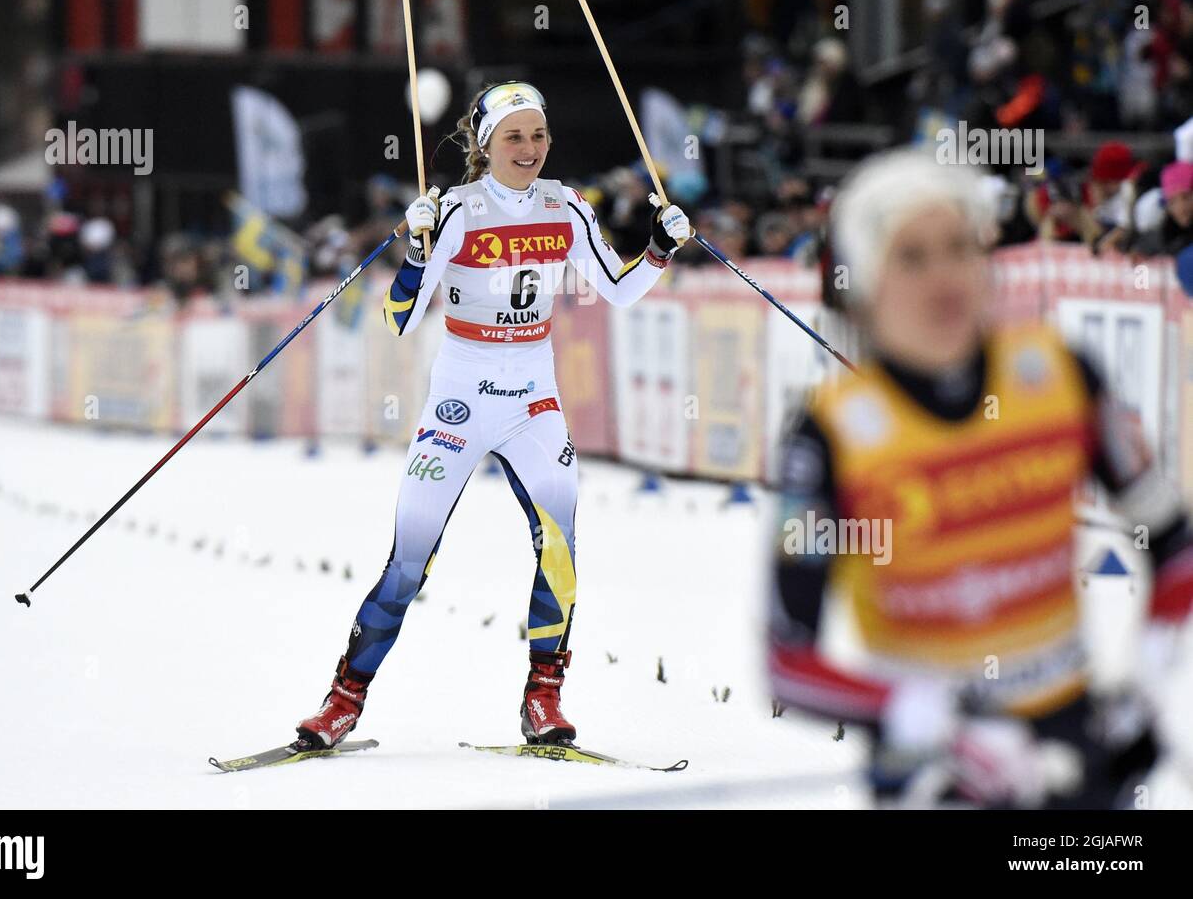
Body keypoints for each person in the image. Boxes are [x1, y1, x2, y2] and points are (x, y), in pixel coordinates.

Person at [767, 148, 1193, 808]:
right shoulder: (829, 435)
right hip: (935, 773)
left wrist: (1145, 679)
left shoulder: (1059, 372)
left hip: (1075, 749)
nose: (944, 278)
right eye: (911, 258)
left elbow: (1174, 543)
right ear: (865, 283)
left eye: (961, 248)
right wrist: (924, 715)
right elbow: (787, 660)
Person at [296, 81, 691, 748]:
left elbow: (618, 293)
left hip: (535, 400)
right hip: (461, 401)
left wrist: (658, 247)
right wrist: (418, 253)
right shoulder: (456, 209)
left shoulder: (566, 205)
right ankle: (343, 700)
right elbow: (400, 317)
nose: (530, 149)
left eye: (539, 135)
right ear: (485, 146)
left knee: (560, 549)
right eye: (514, 136)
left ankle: (544, 698)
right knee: (409, 560)